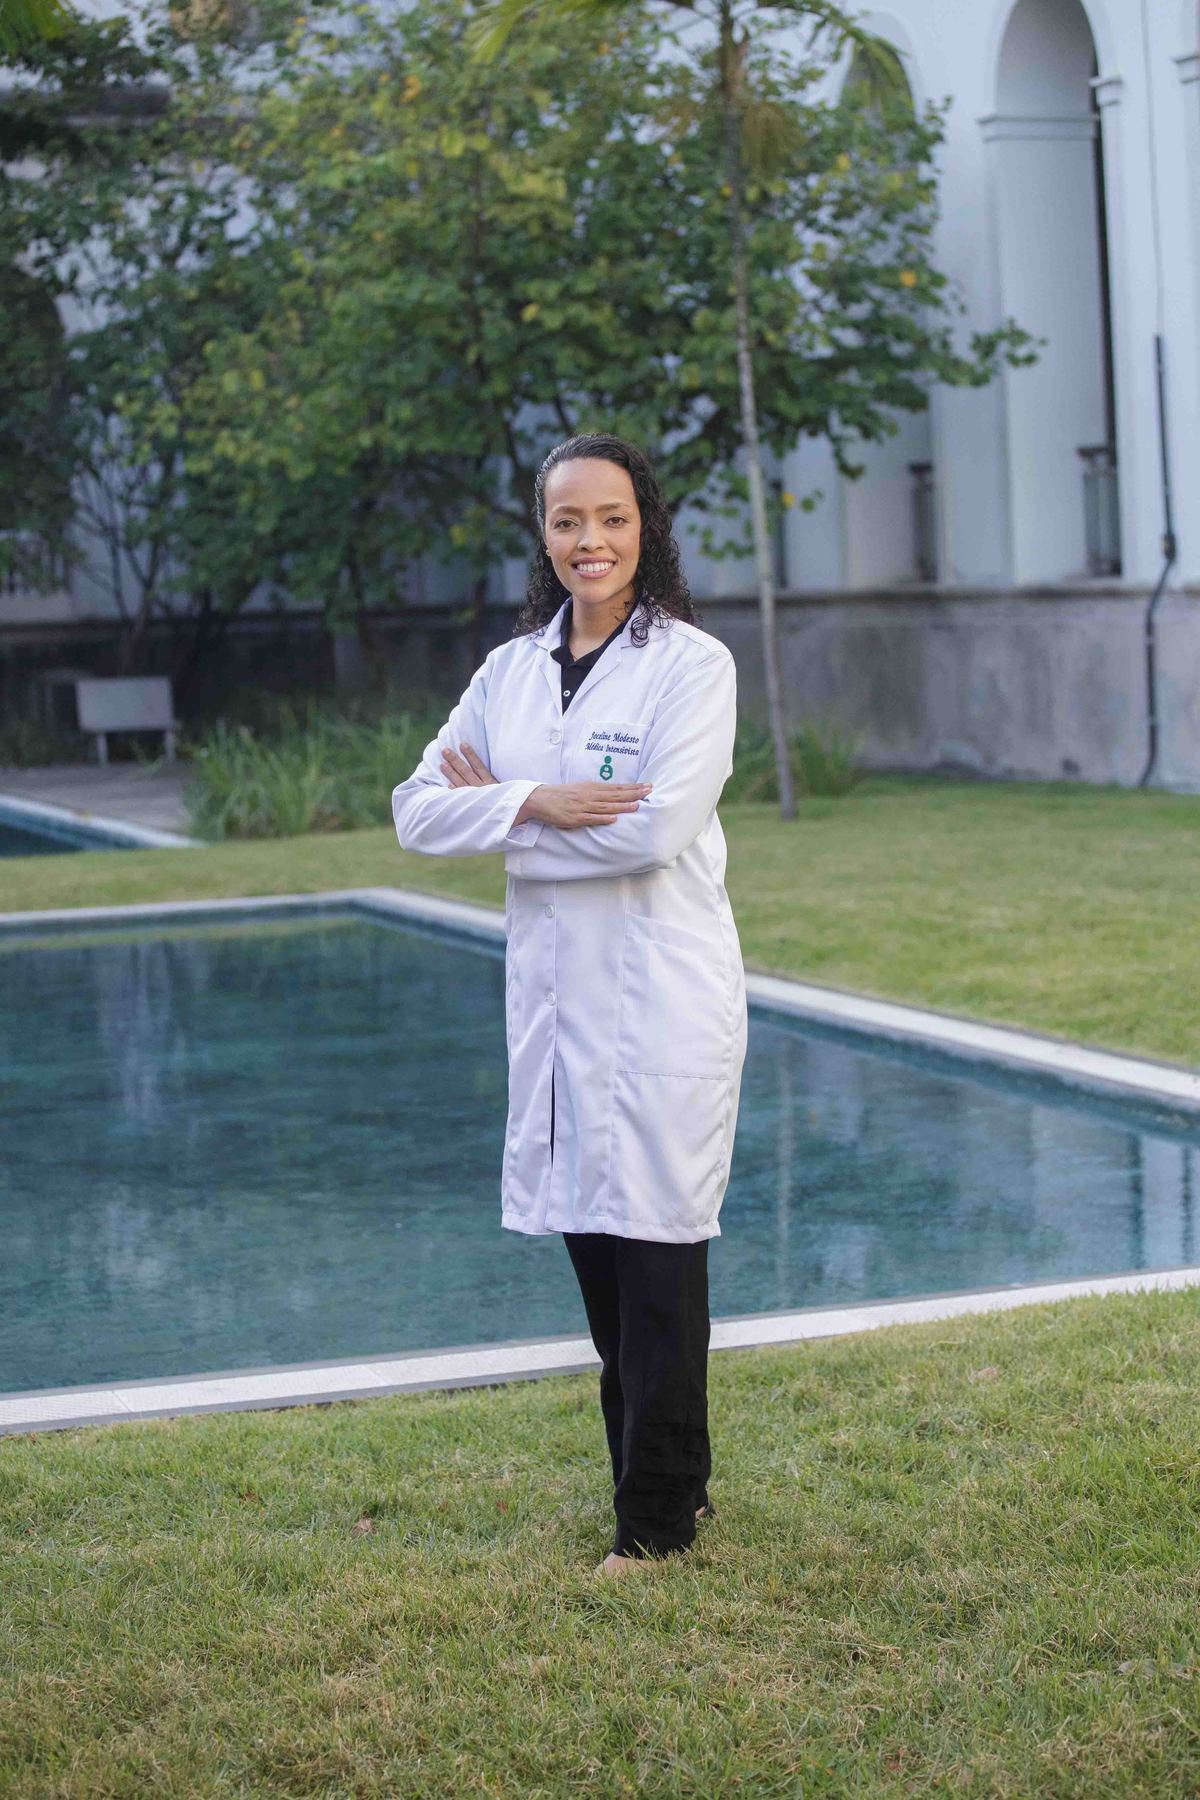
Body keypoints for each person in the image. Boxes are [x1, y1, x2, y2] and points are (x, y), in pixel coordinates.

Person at [391, 432, 748, 1575]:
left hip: (661, 1007)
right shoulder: (509, 674)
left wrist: (498, 813)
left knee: (659, 1271)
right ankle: (672, 1489)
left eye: (611, 518)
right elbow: (413, 810)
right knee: (602, 1272)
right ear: (543, 537)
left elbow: (654, 829)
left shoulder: (692, 667)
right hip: (558, 1018)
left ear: (646, 528)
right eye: (566, 521)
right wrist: (541, 799)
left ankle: (653, 1527)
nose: (590, 541)